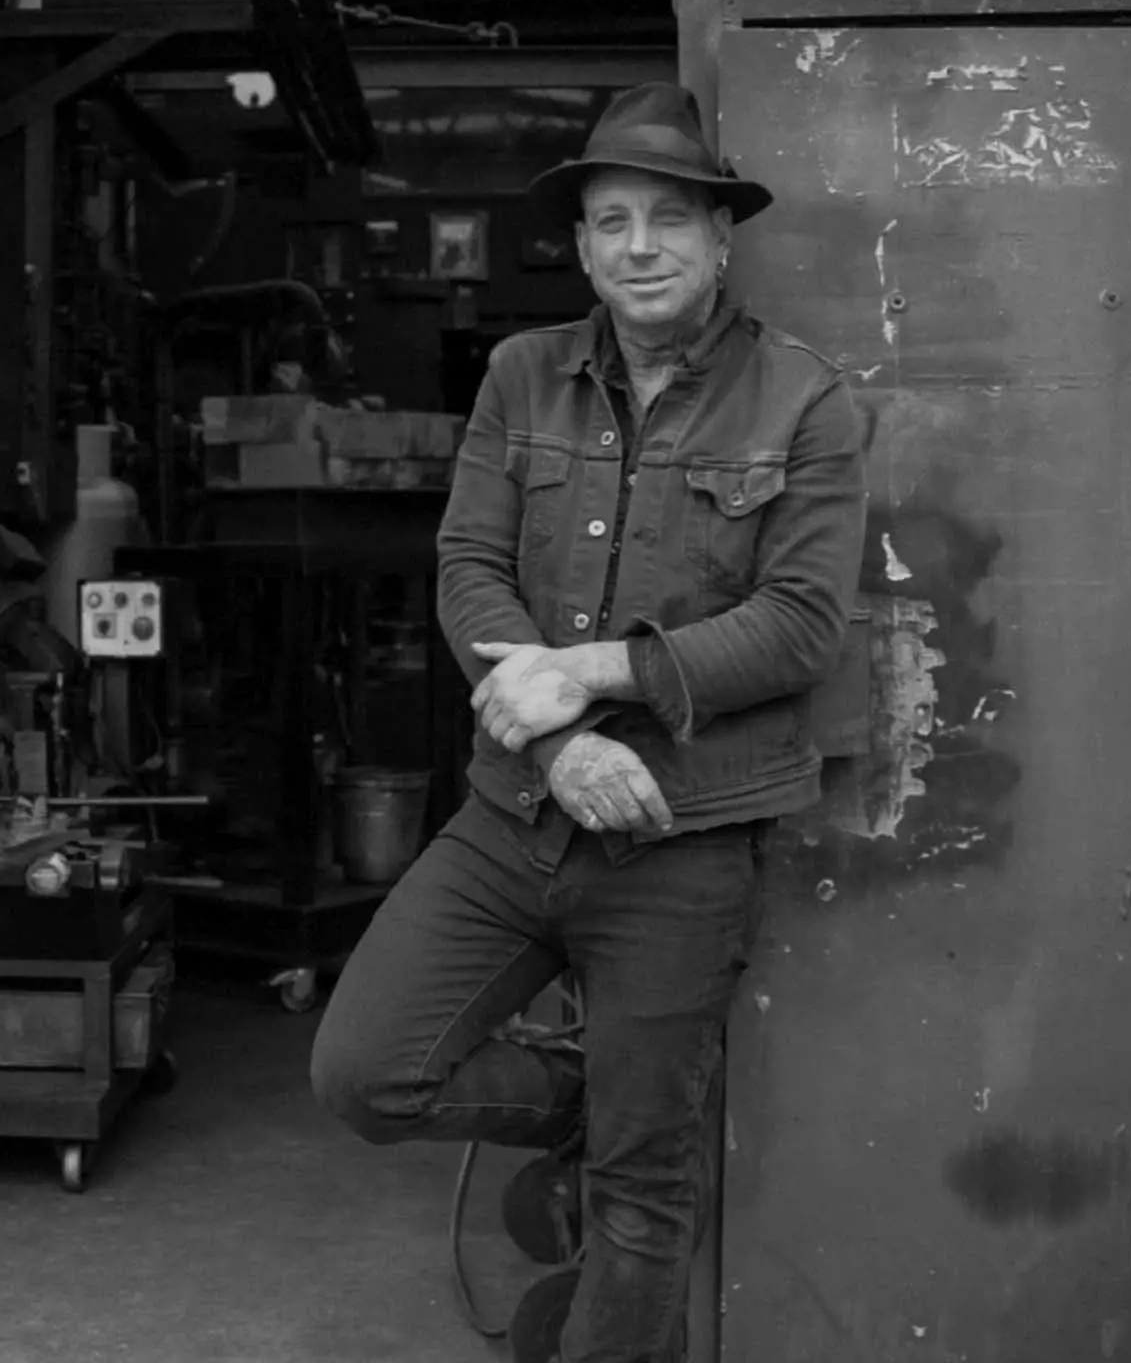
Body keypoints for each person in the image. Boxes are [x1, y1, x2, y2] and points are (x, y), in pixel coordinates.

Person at [308, 82, 867, 1363]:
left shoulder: (805, 402)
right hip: (513, 817)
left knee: (641, 1192)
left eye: (671, 217)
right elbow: (468, 569)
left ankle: (618, 1164)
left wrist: (595, 668)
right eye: (612, 221)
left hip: (683, 843)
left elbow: (799, 626)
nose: (641, 246)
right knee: (365, 1070)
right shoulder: (522, 374)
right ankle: (585, 1101)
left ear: (722, 238)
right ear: (581, 245)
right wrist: (560, 739)